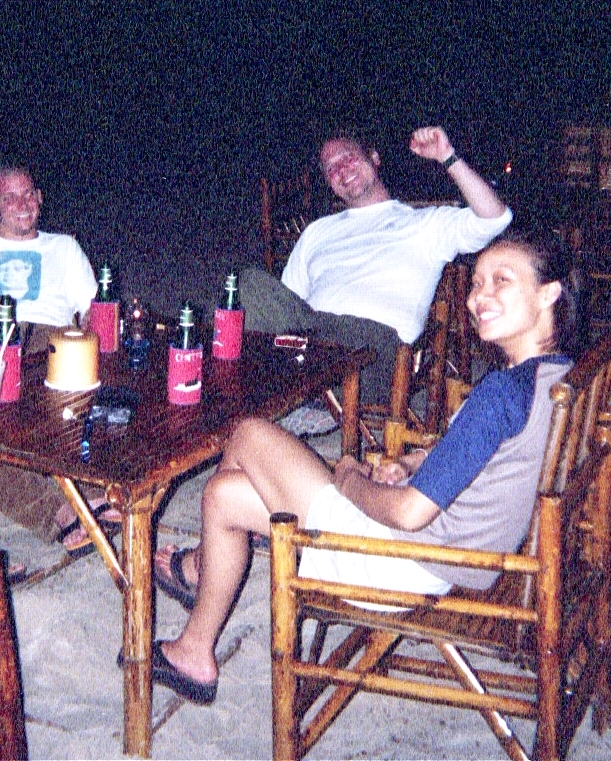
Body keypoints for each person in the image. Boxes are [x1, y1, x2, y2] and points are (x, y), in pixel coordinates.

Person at [144, 231, 580, 705]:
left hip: (398, 562)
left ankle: (201, 567)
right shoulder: (554, 376)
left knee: (248, 433)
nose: (479, 297)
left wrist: (350, 480)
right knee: (224, 495)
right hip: (449, 558)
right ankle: (193, 652)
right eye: (476, 283)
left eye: (501, 281)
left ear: (548, 293)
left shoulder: (500, 393)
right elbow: (487, 456)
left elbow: (409, 513)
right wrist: (415, 462)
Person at [242, 125, 512, 404]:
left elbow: (496, 218)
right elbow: (287, 304)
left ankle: (288, 392)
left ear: (374, 158)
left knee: (311, 345)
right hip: (314, 342)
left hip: (374, 350)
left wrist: (447, 156)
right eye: (331, 169)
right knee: (249, 285)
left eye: (348, 157)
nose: (341, 170)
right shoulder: (317, 231)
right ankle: (275, 391)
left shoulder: (425, 223)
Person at [0, 166, 117, 555]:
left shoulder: (64, 247)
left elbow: (95, 311)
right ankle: (58, 511)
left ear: (40, 197)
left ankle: (90, 490)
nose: (23, 204)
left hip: (53, 341)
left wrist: (94, 330)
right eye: (10, 197)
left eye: (29, 194)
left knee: (98, 390)